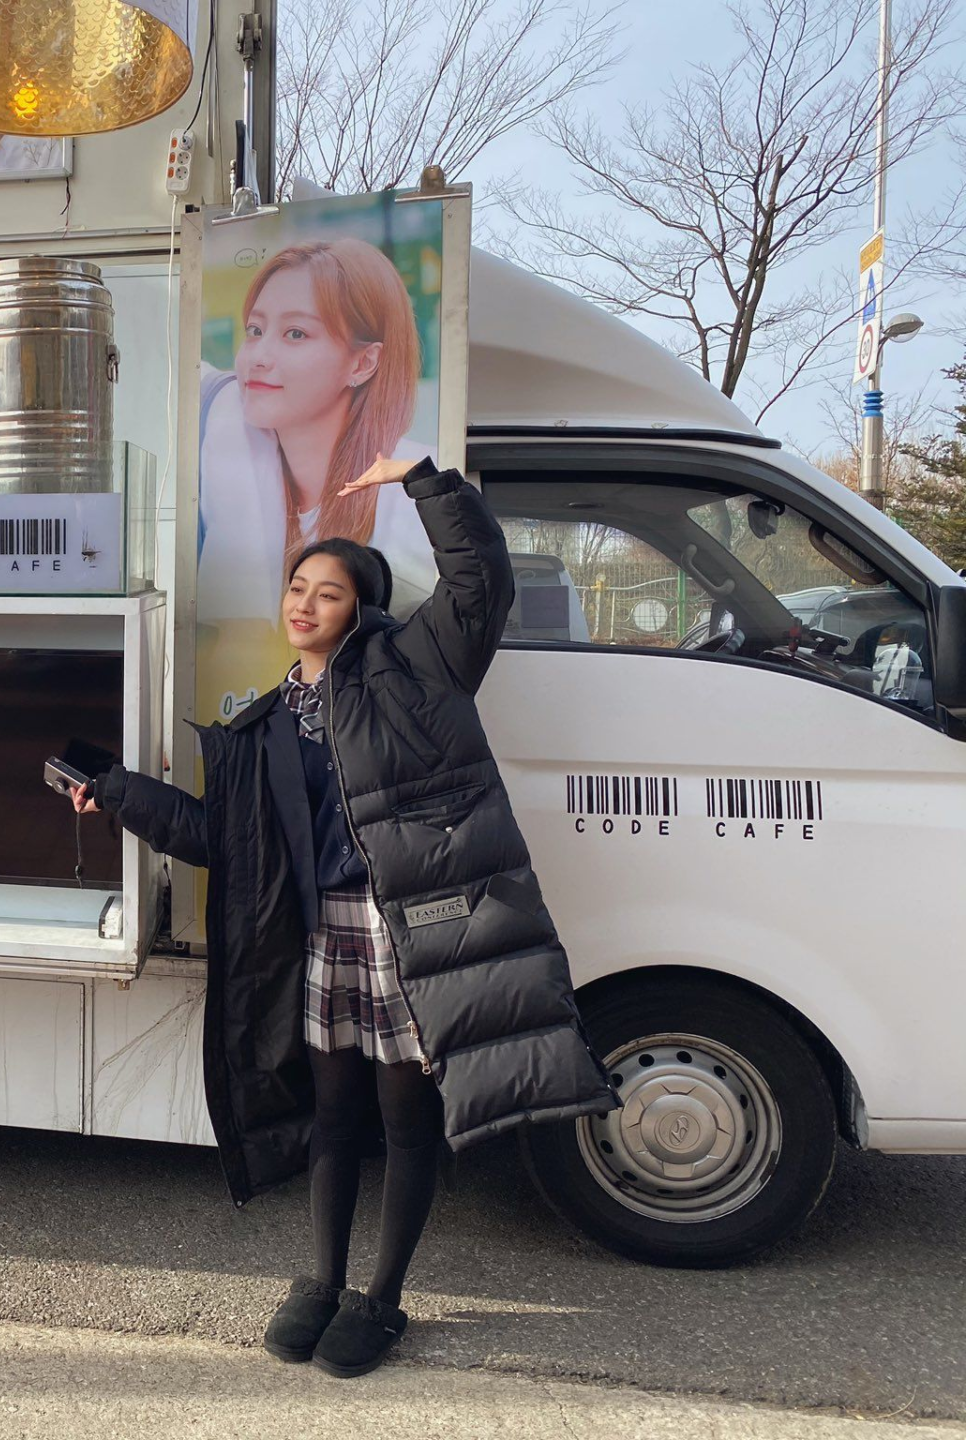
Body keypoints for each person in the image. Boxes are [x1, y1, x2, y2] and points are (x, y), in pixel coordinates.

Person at [74, 453, 615, 1378]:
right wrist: (118, 793)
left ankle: (383, 1298)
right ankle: (322, 1282)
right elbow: (221, 839)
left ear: (362, 610)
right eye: (297, 587)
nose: (305, 603)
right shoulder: (263, 725)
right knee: (332, 1116)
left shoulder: (416, 669)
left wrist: (426, 482)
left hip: (413, 931)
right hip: (323, 935)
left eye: (328, 592)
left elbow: (481, 580)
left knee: (406, 1121)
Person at [197, 239, 439, 636]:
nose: (258, 356)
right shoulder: (232, 469)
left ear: (363, 362)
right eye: (255, 330)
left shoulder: (413, 492)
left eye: (295, 333)